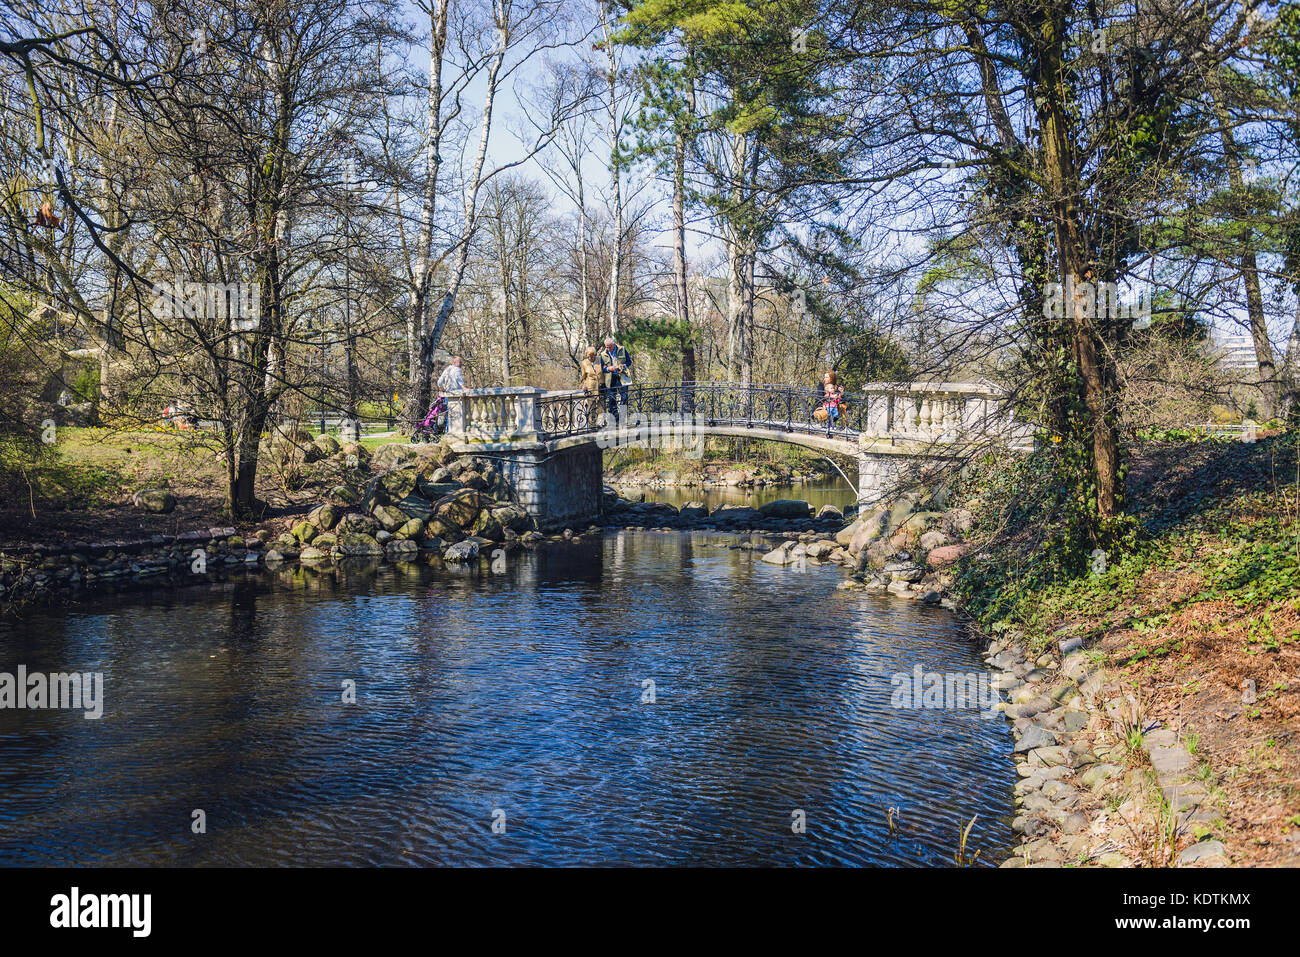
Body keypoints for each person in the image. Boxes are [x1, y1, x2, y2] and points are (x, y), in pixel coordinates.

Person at [599, 337, 632, 419]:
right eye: (606, 347)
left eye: (610, 346)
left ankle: (622, 416)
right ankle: (614, 418)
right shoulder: (603, 354)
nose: (608, 348)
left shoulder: (622, 349)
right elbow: (602, 368)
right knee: (611, 398)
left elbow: (629, 361)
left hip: (622, 377)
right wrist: (608, 368)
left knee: (624, 397)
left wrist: (624, 365)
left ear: (614, 344)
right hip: (610, 379)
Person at [579, 346, 603, 425]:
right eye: (589, 355)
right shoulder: (584, 363)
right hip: (590, 387)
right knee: (591, 406)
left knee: (601, 405)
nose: (590, 357)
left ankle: (600, 423)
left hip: (600, 385)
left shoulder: (599, 359)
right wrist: (584, 385)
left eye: (592, 355)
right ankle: (591, 423)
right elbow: (584, 376)